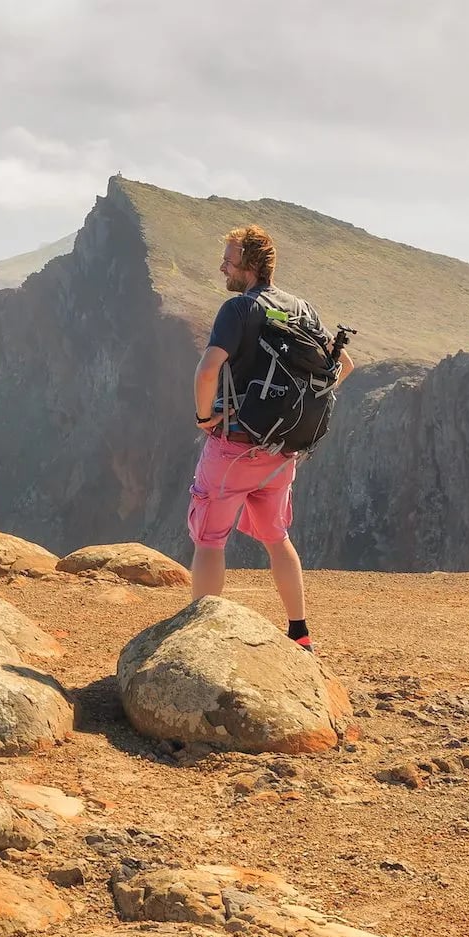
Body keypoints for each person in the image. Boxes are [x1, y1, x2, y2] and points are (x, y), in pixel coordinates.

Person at [188, 225, 353, 651]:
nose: (222, 265)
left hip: (235, 447)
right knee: (277, 539)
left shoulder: (238, 309)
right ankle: (300, 632)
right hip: (283, 453)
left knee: (209, 541)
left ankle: (201, 638)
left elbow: (207, 371)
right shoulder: (301, 309)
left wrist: (205, 417)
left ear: (252, 265)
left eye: (229, 259)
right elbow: (343, 365)